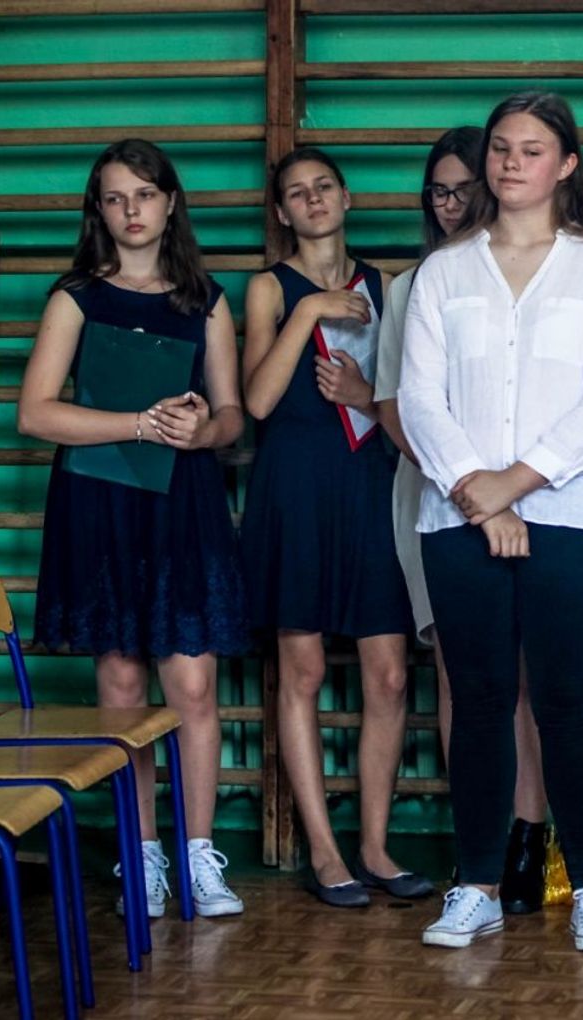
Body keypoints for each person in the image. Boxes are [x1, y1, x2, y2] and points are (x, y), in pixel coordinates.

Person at [399, 91, 583, 951]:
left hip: (571, 519)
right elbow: (420, 399)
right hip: (457, 520)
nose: (510, 162)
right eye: (500, 147)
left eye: (531, 149)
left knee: (568, 704)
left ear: (567, 164)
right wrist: (478, 490)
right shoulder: (444, 272)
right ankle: (475, 886)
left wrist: (512, 484)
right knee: (480, 703)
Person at [19, 137, 246, 918]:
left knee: (192, 684)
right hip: (101, 500)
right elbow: (35, 412)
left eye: (144, 195)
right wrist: (139, 424)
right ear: (99, 210)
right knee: (121, 686)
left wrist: (201, 432)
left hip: (183, 502)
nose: (131, 210)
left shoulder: (206, 300)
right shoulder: (77, 297)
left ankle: (198, 856)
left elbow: (233, 415)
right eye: (115, 198)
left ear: (170, 203)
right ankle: (140, 855)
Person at [241, 146, 430, 908]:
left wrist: (361, 395)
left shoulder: (387, 286)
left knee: (389, 674)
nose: (313, 199)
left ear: (347, 197)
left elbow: (409, 407)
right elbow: (256, 402)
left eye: (324, 186)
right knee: (305, 672)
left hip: (370, 486)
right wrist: (309, 314)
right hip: (294, 486)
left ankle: (375, 846)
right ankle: (323, 852)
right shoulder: (268, 288)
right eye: (297, 192)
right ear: (281, 211)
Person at [375, 125, 553, 914]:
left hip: (537, 497)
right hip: (442, 502)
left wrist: (507, 489)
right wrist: (473, 491)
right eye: (438, 192)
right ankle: (477, 843)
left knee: (532, 678)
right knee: (464, 677)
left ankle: (531, 834)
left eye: (465, 188)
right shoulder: (412, 287)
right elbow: (397, 407)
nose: (451, 204)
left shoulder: (546, 268)